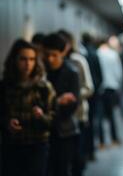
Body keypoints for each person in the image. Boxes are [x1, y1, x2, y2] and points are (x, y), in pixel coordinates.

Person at [0, 39, 55, 176]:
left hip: (37, 145)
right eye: (23, 59)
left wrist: (41, 117)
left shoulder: (43, 87)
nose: (28, 64)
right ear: (15, 60)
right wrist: (7, 123)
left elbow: (54, 120)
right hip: (12, 146)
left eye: (32, 59)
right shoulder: (5, 86)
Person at [43, 33, 81, 176]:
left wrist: (47, 108)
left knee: (62, 169)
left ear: (62, 53)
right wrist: (57, 101)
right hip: (43, 131)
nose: (50, 59)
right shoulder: (41, 72)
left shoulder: (72, 72)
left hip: (64, 131)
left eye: (54, 55)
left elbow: (71, 106)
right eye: (47, 55)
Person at [59, 30, 94, 175]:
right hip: (60, 117)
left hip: (78, 115)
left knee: (77, 157)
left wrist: (73, 96)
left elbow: (89, 88)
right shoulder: (54, 63)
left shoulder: (78, 61)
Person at [96, 37, 123, 147]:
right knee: (112, 115)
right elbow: (119, 72)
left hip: (100, 88)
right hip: (112, 87)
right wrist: (118, 85)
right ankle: (114, 139)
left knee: (100, 116)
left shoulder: (97, 54)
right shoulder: (113, 54)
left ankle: (102, 142)